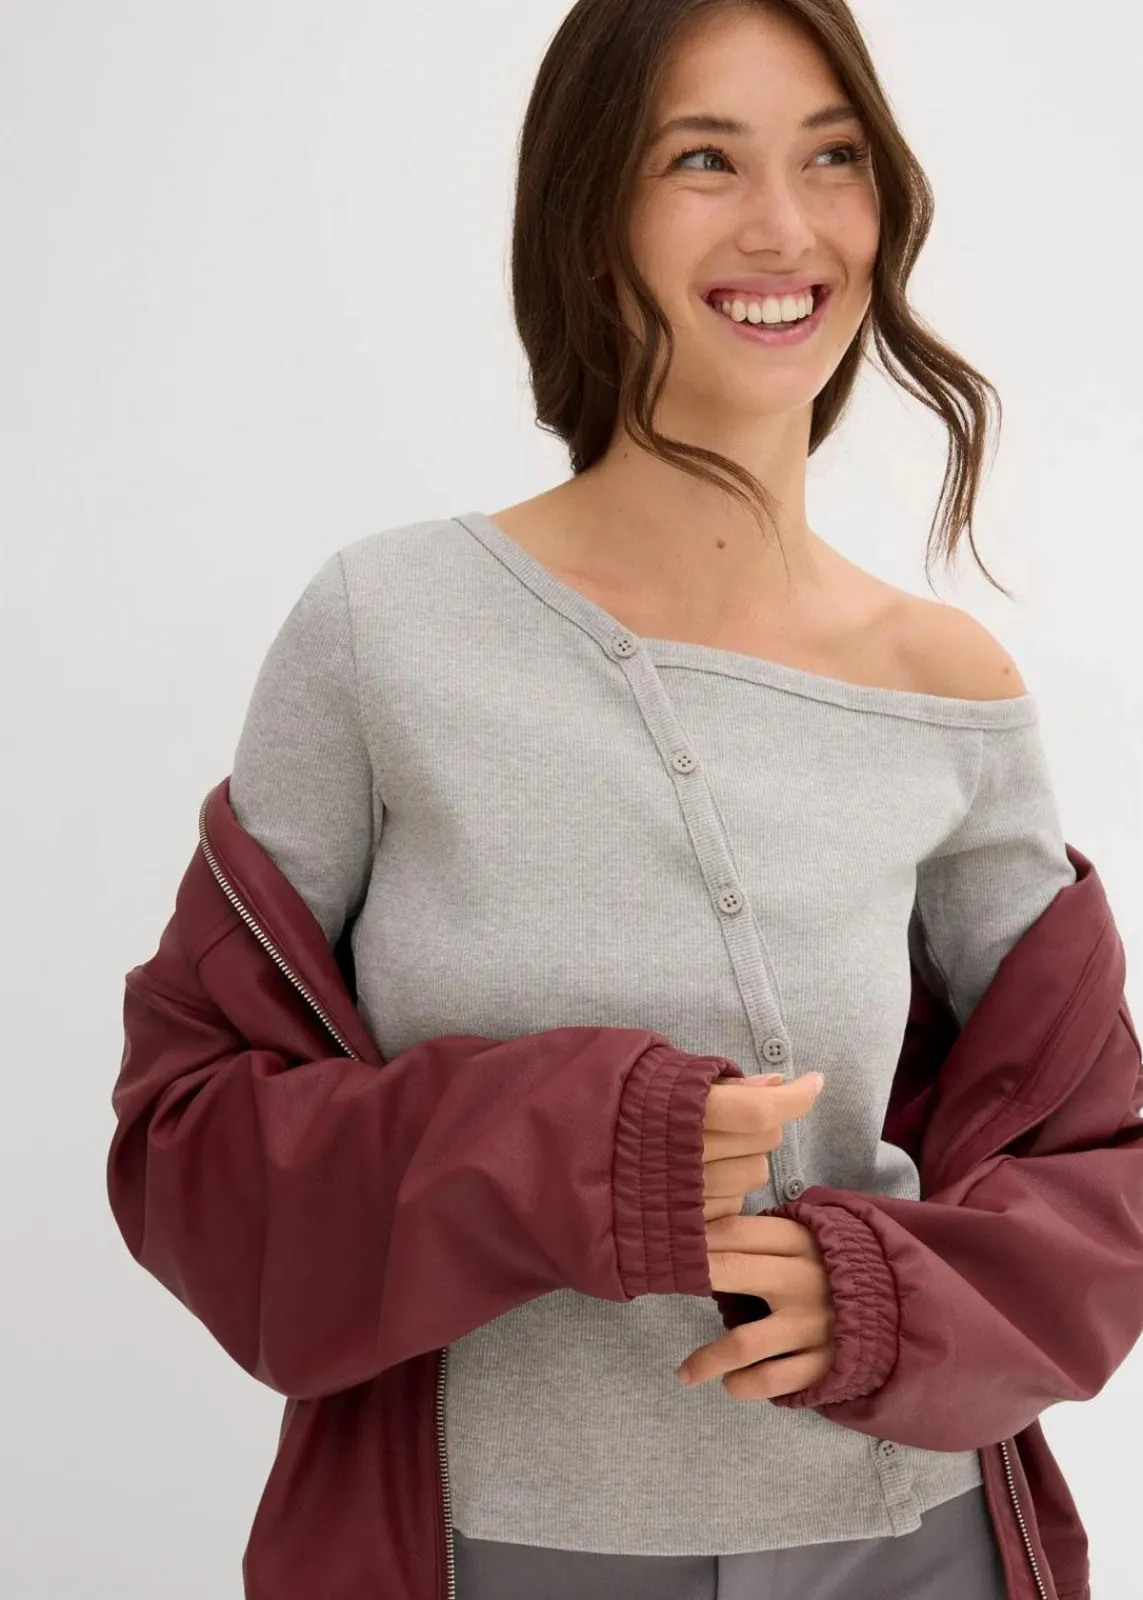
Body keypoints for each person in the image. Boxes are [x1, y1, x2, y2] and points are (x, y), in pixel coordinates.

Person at [106, 3, 1143, 1598]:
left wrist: (888, 1297)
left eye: (832, 158)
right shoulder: (386, 633)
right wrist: (582, 1150)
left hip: (908, 1544)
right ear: (589, 217)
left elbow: (1096, 1174)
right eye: (703, 160)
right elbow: (186, 1146)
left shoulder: (945, 687)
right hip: (498, 1547)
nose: (783, 226)